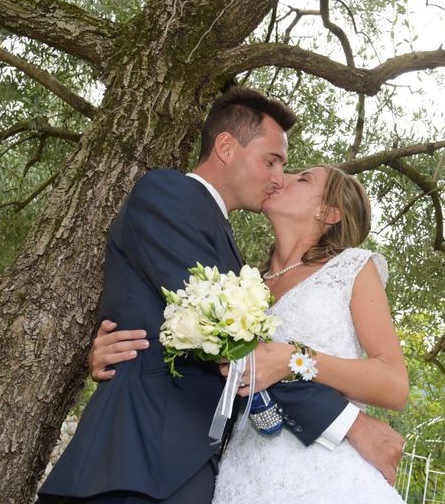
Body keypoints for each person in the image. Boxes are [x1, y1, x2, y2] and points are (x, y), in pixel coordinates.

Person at [38, 87, 403, 503]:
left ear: (329, 213)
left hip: (210, 464)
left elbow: (234, 341)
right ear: (226, 147)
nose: (279, 178)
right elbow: (226, 333)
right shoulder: (169, 195)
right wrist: (348, 423)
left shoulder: (242, 258)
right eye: (272, 161)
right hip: (141, 456)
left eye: (292, 172)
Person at [210, 165, 408, 502]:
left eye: (303, 179)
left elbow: (394, 385)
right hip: (242, 471)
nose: (280, 177)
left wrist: (293, 359)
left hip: (326, 474)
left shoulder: (352, 269)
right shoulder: (242, 283)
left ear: (328, 213)